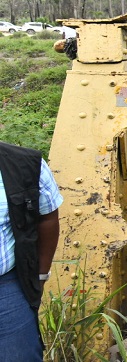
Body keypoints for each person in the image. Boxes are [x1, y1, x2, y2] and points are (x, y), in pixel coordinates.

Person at [0, 142, 62, 360]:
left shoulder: (25, 164)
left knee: (19, 355)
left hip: (6, 288)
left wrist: (40, 275)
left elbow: (47, 217)